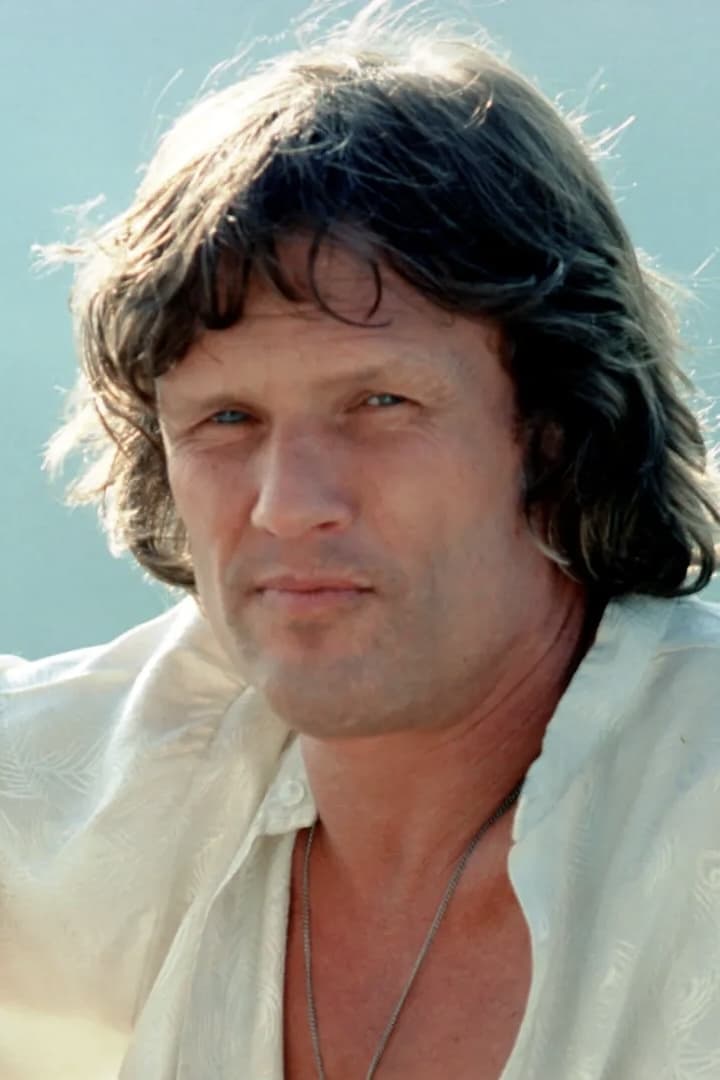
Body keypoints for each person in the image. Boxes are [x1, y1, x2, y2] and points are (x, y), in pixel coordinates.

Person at [3, 5, 720, 1078]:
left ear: (557, 429)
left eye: (380, 403)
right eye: (226, 419)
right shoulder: (139, 768)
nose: (288, 504)